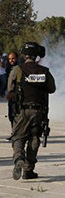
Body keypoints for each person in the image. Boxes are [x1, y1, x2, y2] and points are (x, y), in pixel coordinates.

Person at [8, 42, 56, 180]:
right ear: (37, 56)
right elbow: (52, 89)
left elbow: (10, 89)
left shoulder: (18, 70)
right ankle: (28, 171)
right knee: (34, 139)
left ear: (24, 55)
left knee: (18, 137)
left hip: (22, 110)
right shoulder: (45, 71)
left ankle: (18, 159)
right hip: (38, 111)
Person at [5, 52, 19, 140]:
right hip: (11, 96)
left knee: (16, 115)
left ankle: (17, 134)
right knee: (11, 115)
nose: (11, 60)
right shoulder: (8, 68)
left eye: (13, 58)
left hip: (17, 95)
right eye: (10, 59)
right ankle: (13, 132)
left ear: (17, 58)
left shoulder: (19, 68)